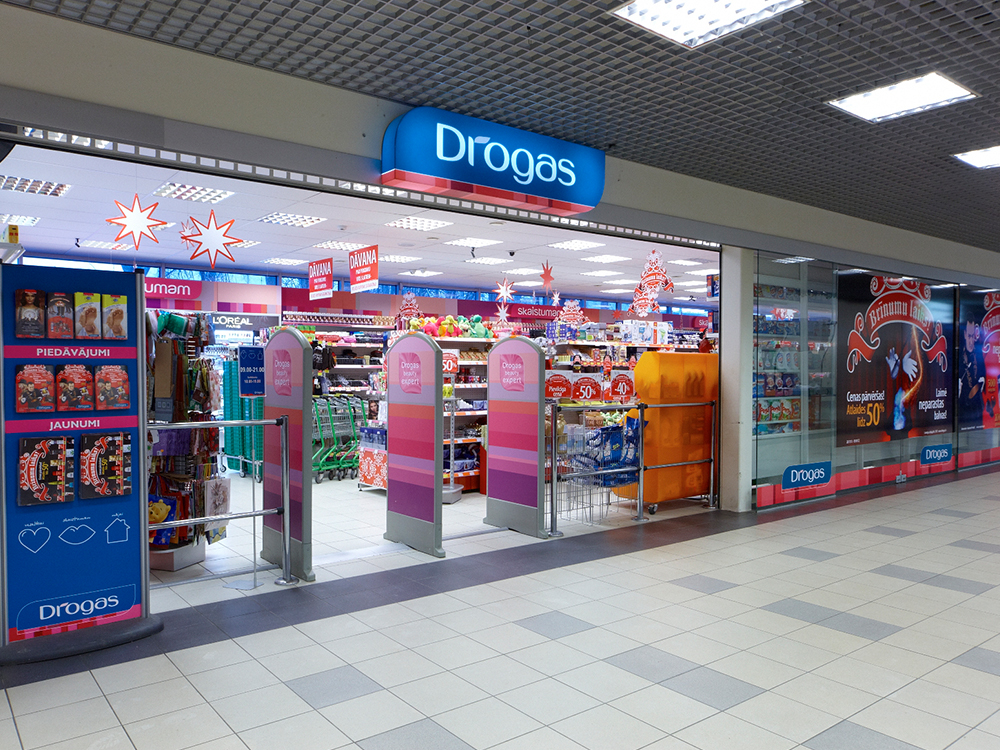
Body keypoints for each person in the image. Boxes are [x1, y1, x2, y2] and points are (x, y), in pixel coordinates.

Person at [958, 319, 986, 429]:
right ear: (965, 334)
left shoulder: (978, 354)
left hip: (978, 411)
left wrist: (983, 379)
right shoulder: (958, 356)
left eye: (973, 336)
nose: (971, 341)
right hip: (963, 412)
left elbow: (984, 373)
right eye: (969, 336)